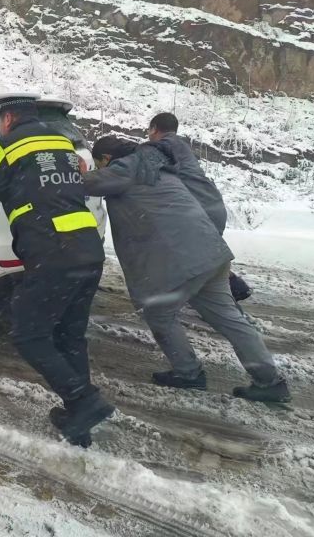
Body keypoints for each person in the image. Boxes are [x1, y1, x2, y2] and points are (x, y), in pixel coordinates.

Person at [82, 136, 290, 402]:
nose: (100, 169)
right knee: (229, 319)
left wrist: (65, 171)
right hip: (210, 251)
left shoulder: (127, 168)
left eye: (99, 164)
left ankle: (188, 373)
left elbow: (88, 184)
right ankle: (269, 381)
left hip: (182, 258)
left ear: (107, 159)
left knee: (158, 312)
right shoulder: (157, 167)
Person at [0, 96, 114, 447]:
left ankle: (84, 400)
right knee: (70, 335)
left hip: (52, 250)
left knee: (28, 334)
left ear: (9, 117)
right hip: (87, 247)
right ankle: (80, 422)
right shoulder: (63, 142)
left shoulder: (6, 147)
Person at [145, 112, 252, 301]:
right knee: (207, 258)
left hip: (200, 210)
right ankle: (234, 288)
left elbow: (144, 161)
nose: (148, 135)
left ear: (154, 128)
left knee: (194, 260)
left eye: (149, 130)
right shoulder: (181, 146)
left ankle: (226, 300)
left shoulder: (164, 145)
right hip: (213, 204)